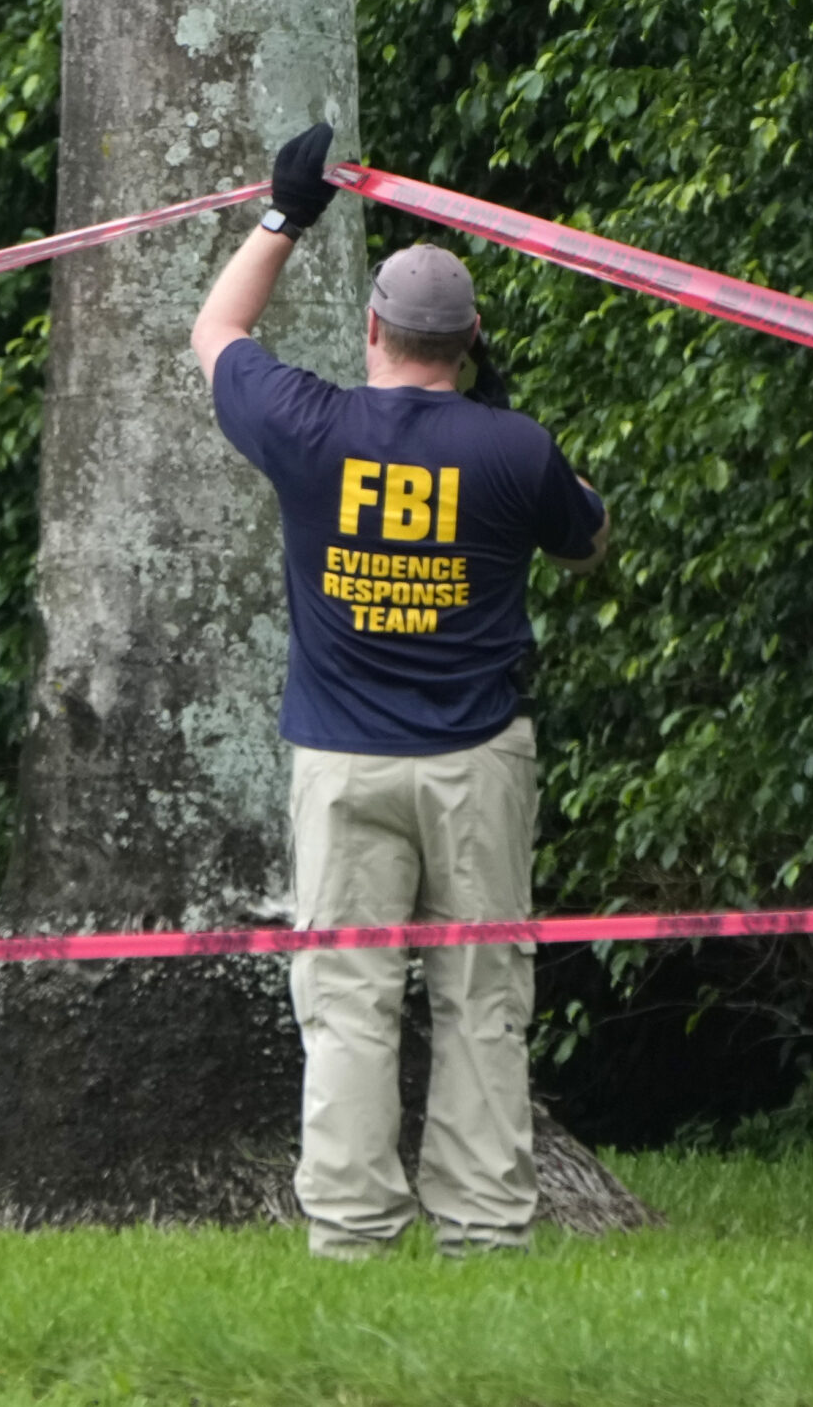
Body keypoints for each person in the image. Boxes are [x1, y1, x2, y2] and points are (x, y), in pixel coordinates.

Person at [192, 124, 610, 1260]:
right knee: (483, 1000)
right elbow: (587, 536)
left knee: (346, 1005)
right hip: (477, 760)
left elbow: (217, 330)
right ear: (470, 340)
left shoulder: (308, 424)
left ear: (372, 330)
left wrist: (284, 214)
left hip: (341, 759)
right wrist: (534, 439)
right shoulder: (514, 449)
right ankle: (481, 1229)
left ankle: (350, 1230)